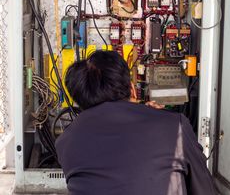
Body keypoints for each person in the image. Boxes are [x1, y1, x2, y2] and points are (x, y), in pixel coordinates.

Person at [55, 50, 216, 195]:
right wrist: (159, 118)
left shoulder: (65, 141)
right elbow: (204, 190)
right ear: (132, 89)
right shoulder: (174, 127)